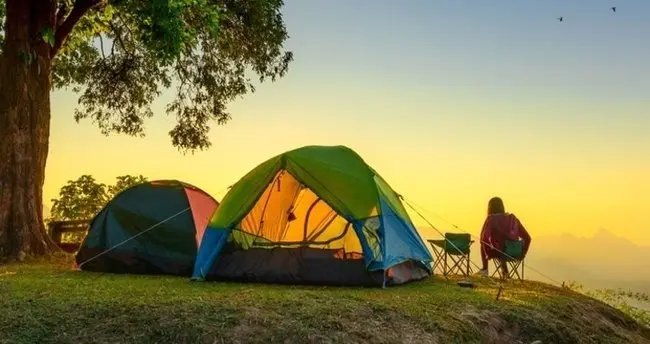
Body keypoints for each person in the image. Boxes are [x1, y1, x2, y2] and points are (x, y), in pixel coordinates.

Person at [475, 197, 531, 277]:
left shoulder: (491, 219)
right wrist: (523, 254)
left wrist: (488, 252)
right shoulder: (512, 218)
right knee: (501, 247)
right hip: (515, 252)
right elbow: (527, 238)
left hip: (500, 252)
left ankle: (485, 269)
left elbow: (483, 238)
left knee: (488, 246)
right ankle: (505, 272)